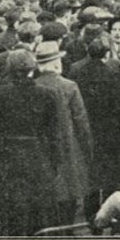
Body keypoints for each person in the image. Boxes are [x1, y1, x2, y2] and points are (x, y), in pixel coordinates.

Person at [0, 50, 61, 236]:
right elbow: (54, 135)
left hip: (7, 159)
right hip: (38, 159)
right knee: (38, 214)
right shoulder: (47, 95)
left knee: (11, 214)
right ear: (33, 69)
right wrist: (54, 163)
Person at [70, 38, 120, 220]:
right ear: (106, 54)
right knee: (110, 175)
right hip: (110, 132)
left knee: (91, 175)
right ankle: (110, 214)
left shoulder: (79, 73)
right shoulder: (111, 74)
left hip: (89, 129)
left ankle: (91, 216)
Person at [34, 40, 94, 227]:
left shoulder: (33, 86)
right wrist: (88, 148)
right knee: (69, 196)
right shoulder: (69, 86)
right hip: (68, 147)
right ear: (55, 63)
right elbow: (81, 121)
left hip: (42, 149)